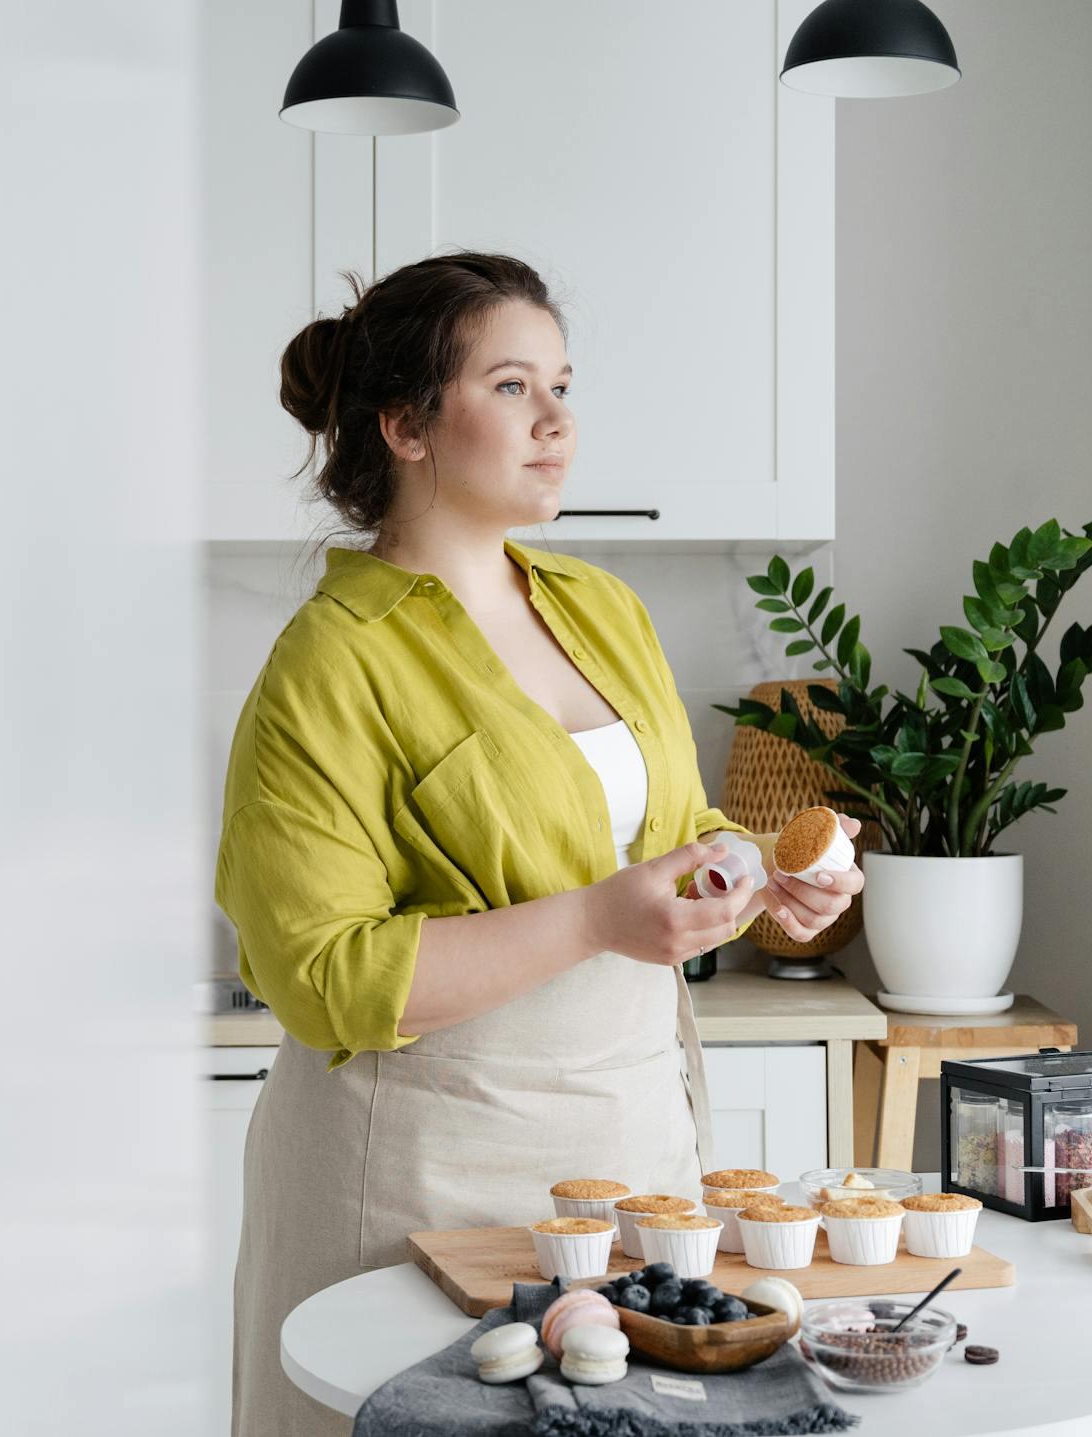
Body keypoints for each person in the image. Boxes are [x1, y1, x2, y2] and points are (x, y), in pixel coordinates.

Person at [213, 252, 865, 1437]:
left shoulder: (600, 607)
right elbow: (321, 977)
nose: (558, 421)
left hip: (629, 1151)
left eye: (564, 384)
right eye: (513, 387)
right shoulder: (332, 659)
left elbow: (672, 836)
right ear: (408, 424)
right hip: (414, 1171)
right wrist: (596, 920)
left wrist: (765, 875)